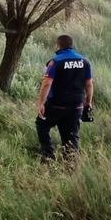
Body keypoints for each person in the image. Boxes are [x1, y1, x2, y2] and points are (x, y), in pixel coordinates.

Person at [35, 34, 94, 162]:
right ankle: (70, 164)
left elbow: (47, 83)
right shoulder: (85, 61)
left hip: (56, 105)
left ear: (58, 45)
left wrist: (41, 103)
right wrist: (88, 103)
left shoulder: (55, 61)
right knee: (71, 136)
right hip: (76, 106)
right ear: (71, 45)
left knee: (42, 125)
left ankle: (48, 156)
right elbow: (89, 84)